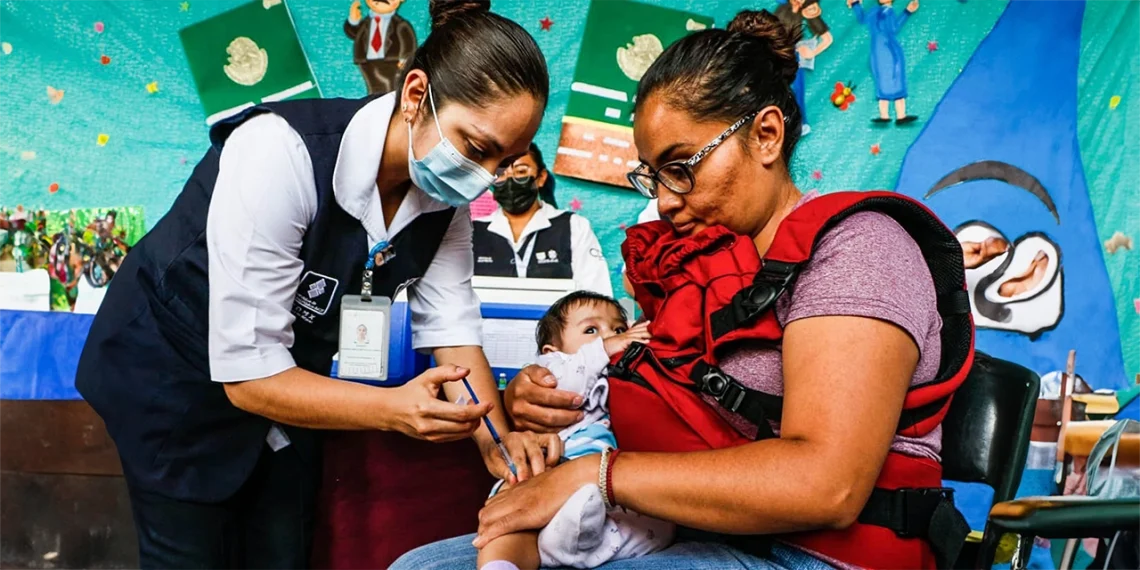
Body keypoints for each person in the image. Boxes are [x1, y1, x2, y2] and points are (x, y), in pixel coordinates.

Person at [393, 8, 971, 570]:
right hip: (694, 534)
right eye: (652, 173)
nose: (665, 200)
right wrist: (544, 395)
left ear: (766, 135)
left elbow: (828, 484)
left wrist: (596, 474)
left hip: (810, 553)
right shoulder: (709, 271)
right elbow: (646, 384)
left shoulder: (861, 248)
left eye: (680, 165)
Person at [75, 1, 557, 568]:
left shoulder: (443, 202)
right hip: (173, 383)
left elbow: (450, 325)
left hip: (292, 387)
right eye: (476, 148)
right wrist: (392, 410)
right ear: (415, 94)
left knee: (287, 547)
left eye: (503, 160)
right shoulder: (279, 153)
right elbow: (250, 378)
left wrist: (496, 444)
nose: (485, 178)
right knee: (191, 551)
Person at [477, 292, 669, 570]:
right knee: (508, 519)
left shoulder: (625, 367)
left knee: (654, 525)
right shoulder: (553, 368)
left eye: (618, 328)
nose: (610, 336)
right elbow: (573, 379)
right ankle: (501, 565)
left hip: (611, 480)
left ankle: (571, 547)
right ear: (551, 351)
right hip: (552, 465)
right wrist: (609, 346)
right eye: (591, 330)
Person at [474, 145, 613, 296]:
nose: (510, 180)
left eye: (521, 171)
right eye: (501, 173)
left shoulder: (573, 226)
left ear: (541, 177)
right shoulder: (473, 232)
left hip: (556, 319)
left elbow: (596, 292)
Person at [849, 0, 920, 124]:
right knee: (883, 79)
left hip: (888, 49)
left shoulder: (888, 11)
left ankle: (900, 115)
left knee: (895, 78)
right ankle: (885, 115)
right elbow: (863, 19)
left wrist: (908, 12)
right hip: (880, 50)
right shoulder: (876, 10)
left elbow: (894, 28)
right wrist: (855, 4)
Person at [774, 0, 834, 135]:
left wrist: (812, 52)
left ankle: (800, 124)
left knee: (795, 91)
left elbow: (828, 39)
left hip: (793, 58)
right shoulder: (783, 7)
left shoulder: (807, 12)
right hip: (775, 54)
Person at [344, 0, 417, 95]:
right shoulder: (366, 23)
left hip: (391, 63)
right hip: (366, 63)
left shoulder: (400, 24)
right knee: (373, 90)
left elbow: (408, 43)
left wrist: (405, 59)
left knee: (390, 88)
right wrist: (353, 20)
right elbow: (354, 34)